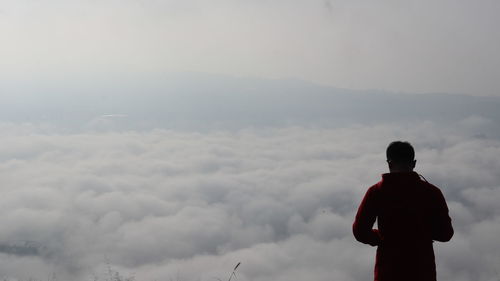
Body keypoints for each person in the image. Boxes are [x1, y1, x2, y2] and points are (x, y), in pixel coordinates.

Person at [353, 141, 453, 281]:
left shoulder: (376, 192)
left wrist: (381, 237)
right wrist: (420, 234)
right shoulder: (432, 192)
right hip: (422, 271)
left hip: (388, 272)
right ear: (414, 163)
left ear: (389, 163)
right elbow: (446, 234)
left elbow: (360, 231)